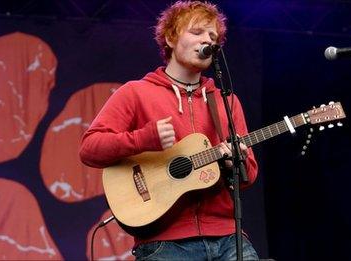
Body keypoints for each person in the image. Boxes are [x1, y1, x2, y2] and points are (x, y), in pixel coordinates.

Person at [79, 1, 259, 260]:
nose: (207, 40)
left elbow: (249, 175)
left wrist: (235, 164)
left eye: (213, 36)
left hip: (229, 238)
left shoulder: (226, 101)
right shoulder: (136, 92)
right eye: (197, 32)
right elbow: (90, 149)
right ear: (171, 38)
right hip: (165, 242)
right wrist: (145, 138)